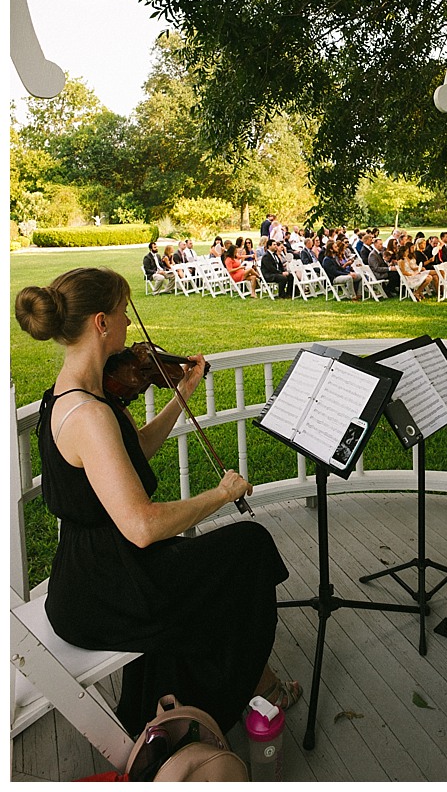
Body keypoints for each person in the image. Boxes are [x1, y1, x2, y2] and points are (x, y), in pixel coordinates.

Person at [13, 267, 297, 735]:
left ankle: (235, 688)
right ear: (101, 323)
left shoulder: (74, 393)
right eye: (125, 314)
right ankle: (228, 696)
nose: (130, 326)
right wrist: (221, 495)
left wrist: (182, 391)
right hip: (106, 590)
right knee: (251, 547)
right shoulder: (89, 414)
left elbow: (132, 450)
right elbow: (142, 526)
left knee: (219, 563)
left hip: (93, 572)